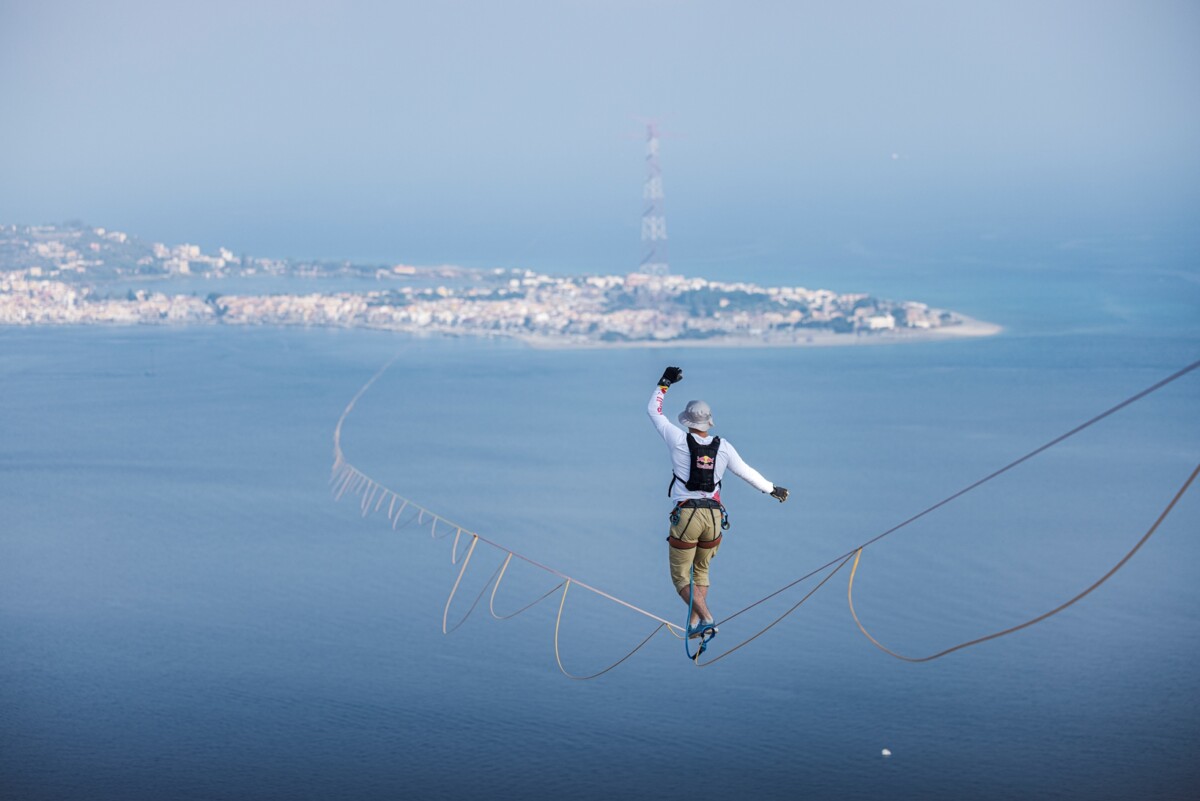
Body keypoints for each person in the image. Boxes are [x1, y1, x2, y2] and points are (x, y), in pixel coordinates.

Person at [648, 365, 788, 641]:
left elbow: (654, 411)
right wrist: (773, 489)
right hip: (713, 518)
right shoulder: (723, 447)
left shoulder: (677, 439)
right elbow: (747, 472)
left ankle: (707, 617)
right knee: (700, 570)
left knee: (680, 577)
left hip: (687, 515)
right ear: (708, 422)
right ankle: (695, 624)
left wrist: (664, 383)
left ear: (687, 422)